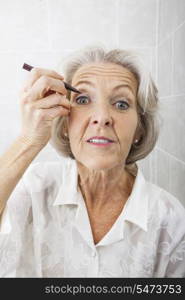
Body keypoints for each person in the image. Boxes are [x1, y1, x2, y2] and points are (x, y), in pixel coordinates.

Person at [0, 46, 185, 278]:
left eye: (121, 104)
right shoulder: (33, 186)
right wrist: (28, 140)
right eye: (83, 99)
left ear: (140, 128)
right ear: (65, 123)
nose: (102, 117)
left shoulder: (171, 219)